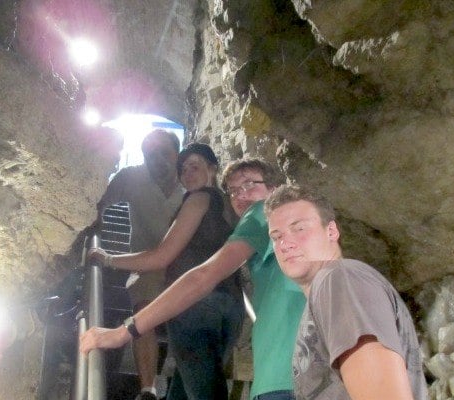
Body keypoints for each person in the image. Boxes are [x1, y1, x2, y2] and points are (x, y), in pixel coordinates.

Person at [81, 158, 307, 400]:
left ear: (273, 190)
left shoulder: (258, 212)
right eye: (233, 190)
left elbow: (199, 274)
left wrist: (125, 330)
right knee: (190, 383)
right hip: (287, 364)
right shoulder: (277, 238)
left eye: (250, 184)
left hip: (281, 371)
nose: (241, 195)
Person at [89, 143, 245, 399]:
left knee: (205, 392)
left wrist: (107, 259)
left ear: (213, 169)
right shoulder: (230, 208)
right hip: (231, 309)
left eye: (195, 166)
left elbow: (161, 257)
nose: (188, 173)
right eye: (183, 169)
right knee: (187, 388)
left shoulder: (199, 198)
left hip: (194, 302)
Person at [264, 184, 428, 400]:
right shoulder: (327, 293)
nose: (285, 244)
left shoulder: (339, 280)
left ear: (331, 231)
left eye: (299, 228)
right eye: (276, 237)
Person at [97, 128, 184, 400]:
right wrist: (93, 232)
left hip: (185, 266)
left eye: (164, 153)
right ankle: (148, 390)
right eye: (150, 154)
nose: (157, 159)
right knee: (143, 312)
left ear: (177, 153)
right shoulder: (131, 178)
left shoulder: (192, 182)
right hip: (146, 264)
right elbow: (97, 205)